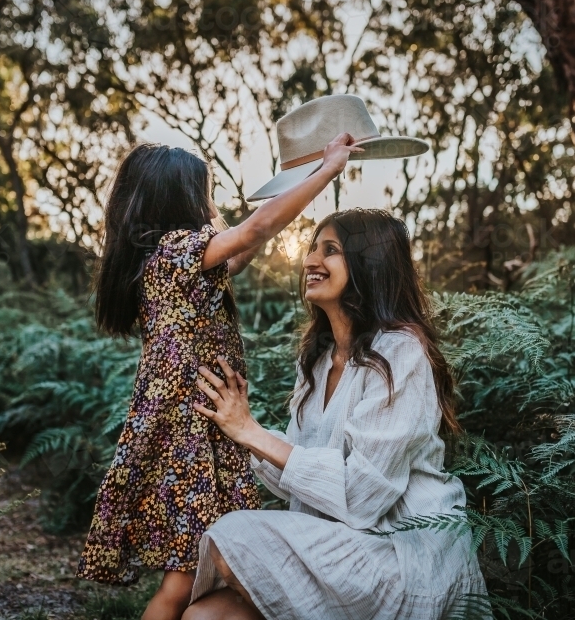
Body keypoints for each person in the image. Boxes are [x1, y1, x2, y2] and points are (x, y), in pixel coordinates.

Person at [76, 136, 364, 620]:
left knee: (189, 578)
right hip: (190, 434)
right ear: (178, 200)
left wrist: (292, 176)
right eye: (203, 192)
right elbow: (258, 228)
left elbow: (242, 250)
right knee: (182, 582)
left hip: (196, 429)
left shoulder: (172, 261)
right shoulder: (175, 252)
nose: (211, 204)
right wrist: (328, 169)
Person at [184, 209, 491, 620]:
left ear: (370, 264)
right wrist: (232, 429)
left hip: (400, 551)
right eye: (312, 248)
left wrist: (253, 433)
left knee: (232, 538)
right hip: (336, 540)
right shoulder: (317, 360)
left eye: (331, 251)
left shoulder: (401, 352)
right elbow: (295, 481)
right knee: (205, 616)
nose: (311, 261)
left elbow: (362, 498)